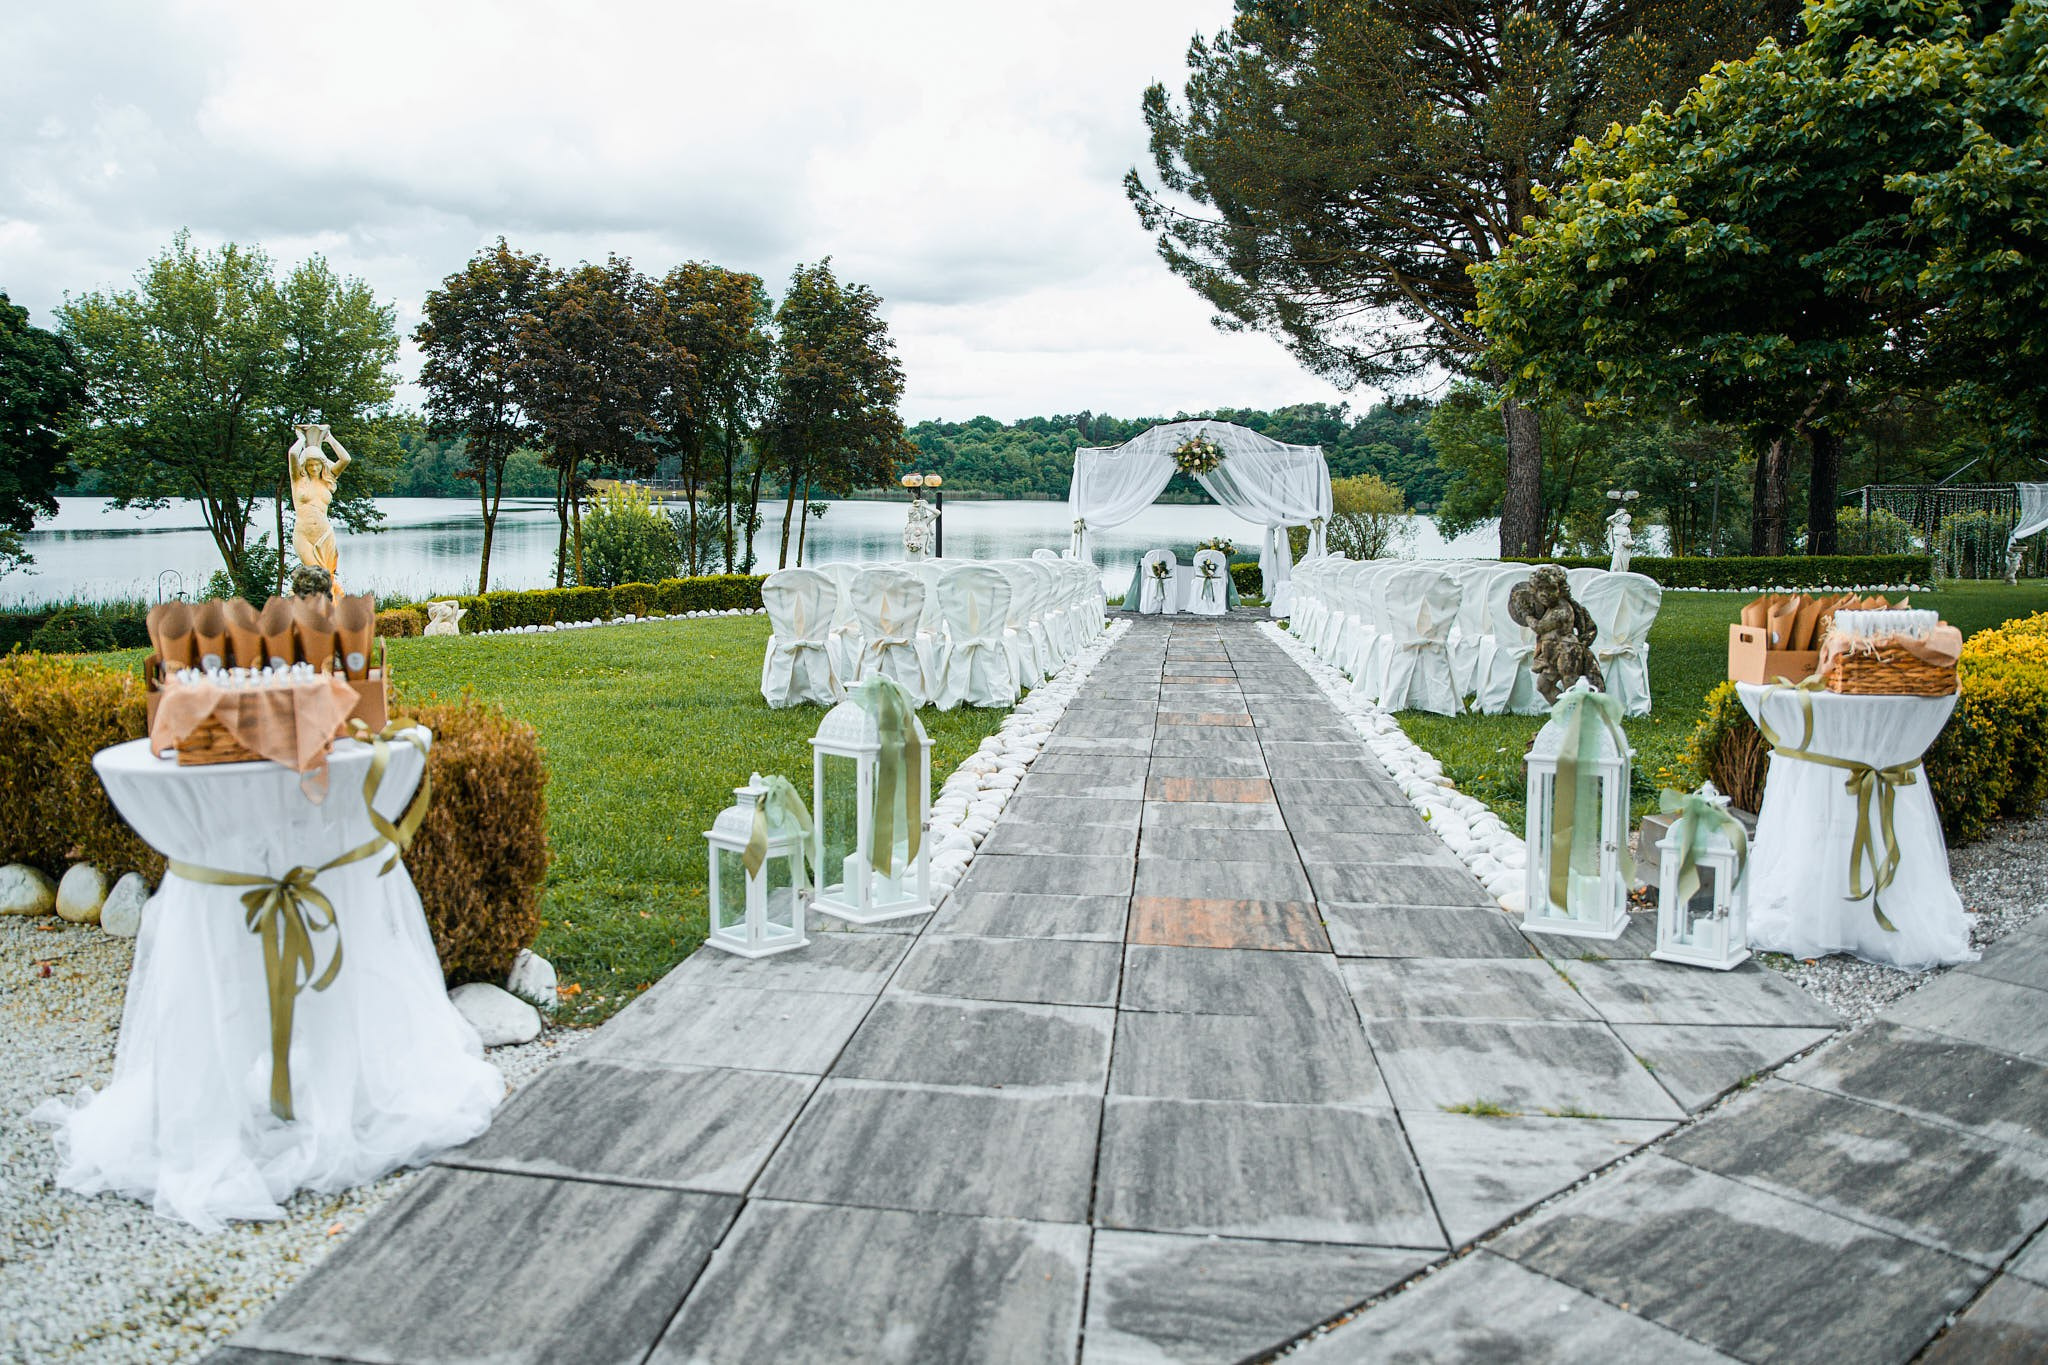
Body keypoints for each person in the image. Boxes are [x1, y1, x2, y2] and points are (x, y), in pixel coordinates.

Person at [289, 424, 351, 595]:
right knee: (315, 577)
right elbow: (293, 454)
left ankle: (332, 613)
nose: (314, 468)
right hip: (304, 535)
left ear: (322, 464)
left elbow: (346, 459)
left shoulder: (328, 479)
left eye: (317, 464)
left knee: (327, 578)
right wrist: (301, 439)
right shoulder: (298, 479)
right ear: (305, 465)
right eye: (310, 465)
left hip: (324, 535)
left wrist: (329, 438)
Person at [903, 491, 937, 560]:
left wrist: (925, 506)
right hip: (912, 552)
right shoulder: (910, 525)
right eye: (914, 514)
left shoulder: (925, 522)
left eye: (917, 513)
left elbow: (937, 513)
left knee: (921, 563)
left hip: (922, 551)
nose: (916, 515)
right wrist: (909, 545)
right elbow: (904, 540)